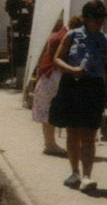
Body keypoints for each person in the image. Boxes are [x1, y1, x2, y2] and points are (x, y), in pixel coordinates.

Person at [51, 0, 107, 192]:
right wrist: (72, 70)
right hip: (72, 85)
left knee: (89, 133)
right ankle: (74, 172)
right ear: (86, 18)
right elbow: (57, 58)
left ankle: (87, 176)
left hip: (93, 87)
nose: (99, 22)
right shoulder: (72, 35)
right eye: (96, 18)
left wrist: (105, 67)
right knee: (72, 131)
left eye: (102, 18)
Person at [31, 15, 83, 157]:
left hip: (47, 74)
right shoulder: (67, 37)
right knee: (58, 109)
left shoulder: (60, 33)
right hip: (55, 75)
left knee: (46, 109)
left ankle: (50, 144)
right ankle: (54, 145)